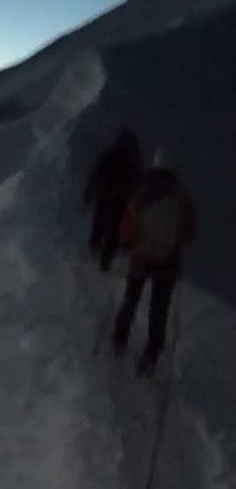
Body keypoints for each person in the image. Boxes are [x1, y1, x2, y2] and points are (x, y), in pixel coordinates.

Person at [111, 150, 197, 377]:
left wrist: (129, 244)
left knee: (131, 300)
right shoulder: (183, 198)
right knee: (159, 310)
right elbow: (189, 232)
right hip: (167, 263)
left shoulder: (141, 195)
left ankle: (119, 341)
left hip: (141, 258)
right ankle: (151, 354)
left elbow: (126, 229)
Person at [84, 128, 143, 272]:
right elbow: (139, 182)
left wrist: (88, 192)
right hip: (122, 199)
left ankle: (94, 249)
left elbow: (96, 173)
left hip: (105, 195)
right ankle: (106, 260)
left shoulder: (109, 154)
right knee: (114, 231)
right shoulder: (134, 159)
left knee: (100, 223)